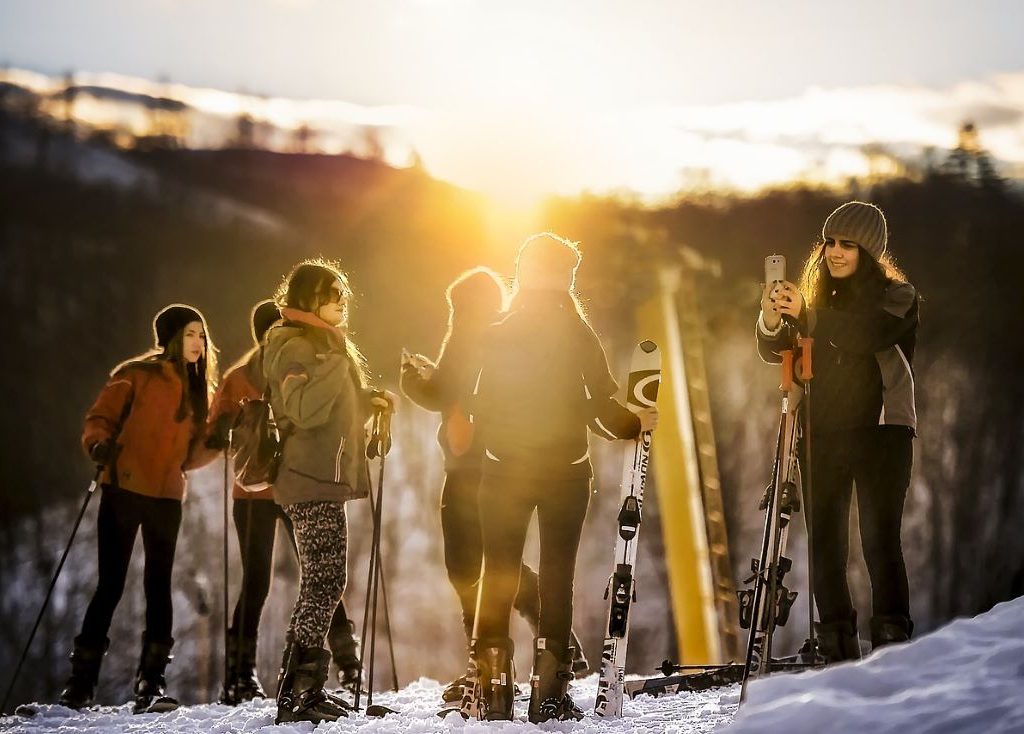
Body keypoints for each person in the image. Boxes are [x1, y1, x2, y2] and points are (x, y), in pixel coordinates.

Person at [469, 234, 659, 722]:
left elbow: (479, 407)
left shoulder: (498, 331)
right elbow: (599, 408)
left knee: (499, 574)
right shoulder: (577, 333)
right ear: (564, 277)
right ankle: (548, 693)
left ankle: (491, 690)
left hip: (502, 470)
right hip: (565, 474)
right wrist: (636, 423)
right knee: (557, 578)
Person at [400, 268, 589, 705]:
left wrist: (412, 377)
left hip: (468, 470)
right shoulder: (508, 337)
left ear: (462, 306)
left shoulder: (467, 335)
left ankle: (483, 669)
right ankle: (553, 646)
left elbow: (439, 392)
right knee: (497, 564)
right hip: (503, 464)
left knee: (467, 568)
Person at [757, 201, 918, 662]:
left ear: (868, 251)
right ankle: (835, 642)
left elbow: (867, 333)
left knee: (879, 538)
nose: (835, 252)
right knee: (825, 542)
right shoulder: (816, 301)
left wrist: (809, 314)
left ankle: (892, 644)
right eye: (829, 242)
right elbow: (778, 349)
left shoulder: (898, 296)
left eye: (847, 244)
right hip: (822, 434)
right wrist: (772, 320)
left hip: (881, 432)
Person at [59, 304, 219, 714]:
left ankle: (151, 683)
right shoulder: (135, 375)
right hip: (124, 488)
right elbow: (100, 418)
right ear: (169, 337)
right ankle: (80, 685)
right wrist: (98, 445)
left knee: (158, 584)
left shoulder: (200, 389)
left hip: (167, 495)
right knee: (110, 585)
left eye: (202, 335)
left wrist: (220, 440)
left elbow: (191, 455)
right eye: (189, 334)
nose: (198, 343)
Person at [207, 300, 361, 705]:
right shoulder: (244, 376)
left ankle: (341, 664)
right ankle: (245, 675)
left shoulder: (283, 367)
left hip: (282, 487)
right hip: (260, 491)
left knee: (318, 574)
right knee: (271, 579)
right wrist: (224, 428)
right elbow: (215, 424)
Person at [263, 260, 393, 724]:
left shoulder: (321, 345)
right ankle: (301, 692)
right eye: (331, 293)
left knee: (321, 580)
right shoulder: (294, 343)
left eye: (342, 292)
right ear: (307, 298)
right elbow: (302, 408)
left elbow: (330, 407)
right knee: (325, 581)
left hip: (321, 476)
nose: (341, 300)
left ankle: (297, 685)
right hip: (309, 477)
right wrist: (339, 368)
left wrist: (365, 401)